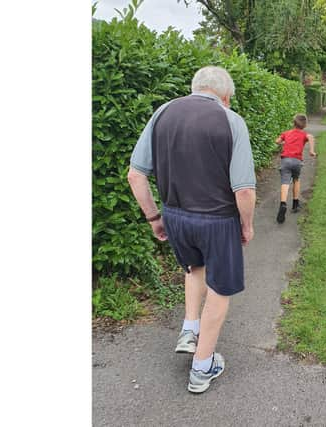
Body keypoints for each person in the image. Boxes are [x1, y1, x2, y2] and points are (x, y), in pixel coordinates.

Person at [127, 66, 256, 393]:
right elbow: (243, 190)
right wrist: (247, 224)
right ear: (225, 96)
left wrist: (155, 217)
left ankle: (190, 328)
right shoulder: (231, 120)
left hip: (175, 216)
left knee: (194, 267)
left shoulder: (163, 112)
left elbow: (135, 175)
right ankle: (202, 367)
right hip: (217, 219)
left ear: (194, 87)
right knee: (221, 289)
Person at [275, 114, 316, 223]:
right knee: (296, 180)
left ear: (293, 123)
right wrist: (311, 151)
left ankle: (283, 204)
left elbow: (277, 141)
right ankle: (295, 204)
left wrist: (283, 142)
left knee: (285, 182)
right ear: (305, 125)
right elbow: (311, 137)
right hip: (297, 161)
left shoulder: (286, 133)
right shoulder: (304, 134)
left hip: (285, 160)